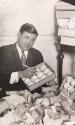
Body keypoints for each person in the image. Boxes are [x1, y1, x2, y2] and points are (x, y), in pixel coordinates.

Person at [0, 23, 44, 97]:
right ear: (19, 35)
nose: (28, 42)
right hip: (9, 97)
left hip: (31, 98)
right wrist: (20, 74)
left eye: (32, 40)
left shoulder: (37, 54)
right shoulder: (3, 51)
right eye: (26, 37)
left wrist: (48, 82)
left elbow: (41, 80)